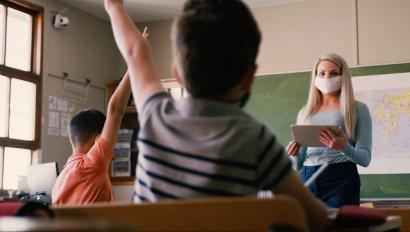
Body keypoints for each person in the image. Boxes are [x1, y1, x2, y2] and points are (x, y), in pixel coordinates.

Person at [105, 0, 327, 230]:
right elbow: (313, 217)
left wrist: (114, 7)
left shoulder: (156, 116)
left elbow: (134, 52)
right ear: (249, 78)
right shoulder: (255, 140)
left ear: (177, 75)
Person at [286, 53, 372, 208]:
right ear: (315, 76)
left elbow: (365, 159)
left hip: (342, 178)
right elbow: (297, 165)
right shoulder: (305, 112)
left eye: (333, 73)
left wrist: (343, 147)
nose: (327, 78)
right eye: (322, 73)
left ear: (343, 75)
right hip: (308, 176)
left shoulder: (358, 109)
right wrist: (292, 155)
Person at [51, 71, 131, 205]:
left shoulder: (60, 179)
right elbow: (116, 111)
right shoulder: (92, 164)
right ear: (98, 139)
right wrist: (134, 65)